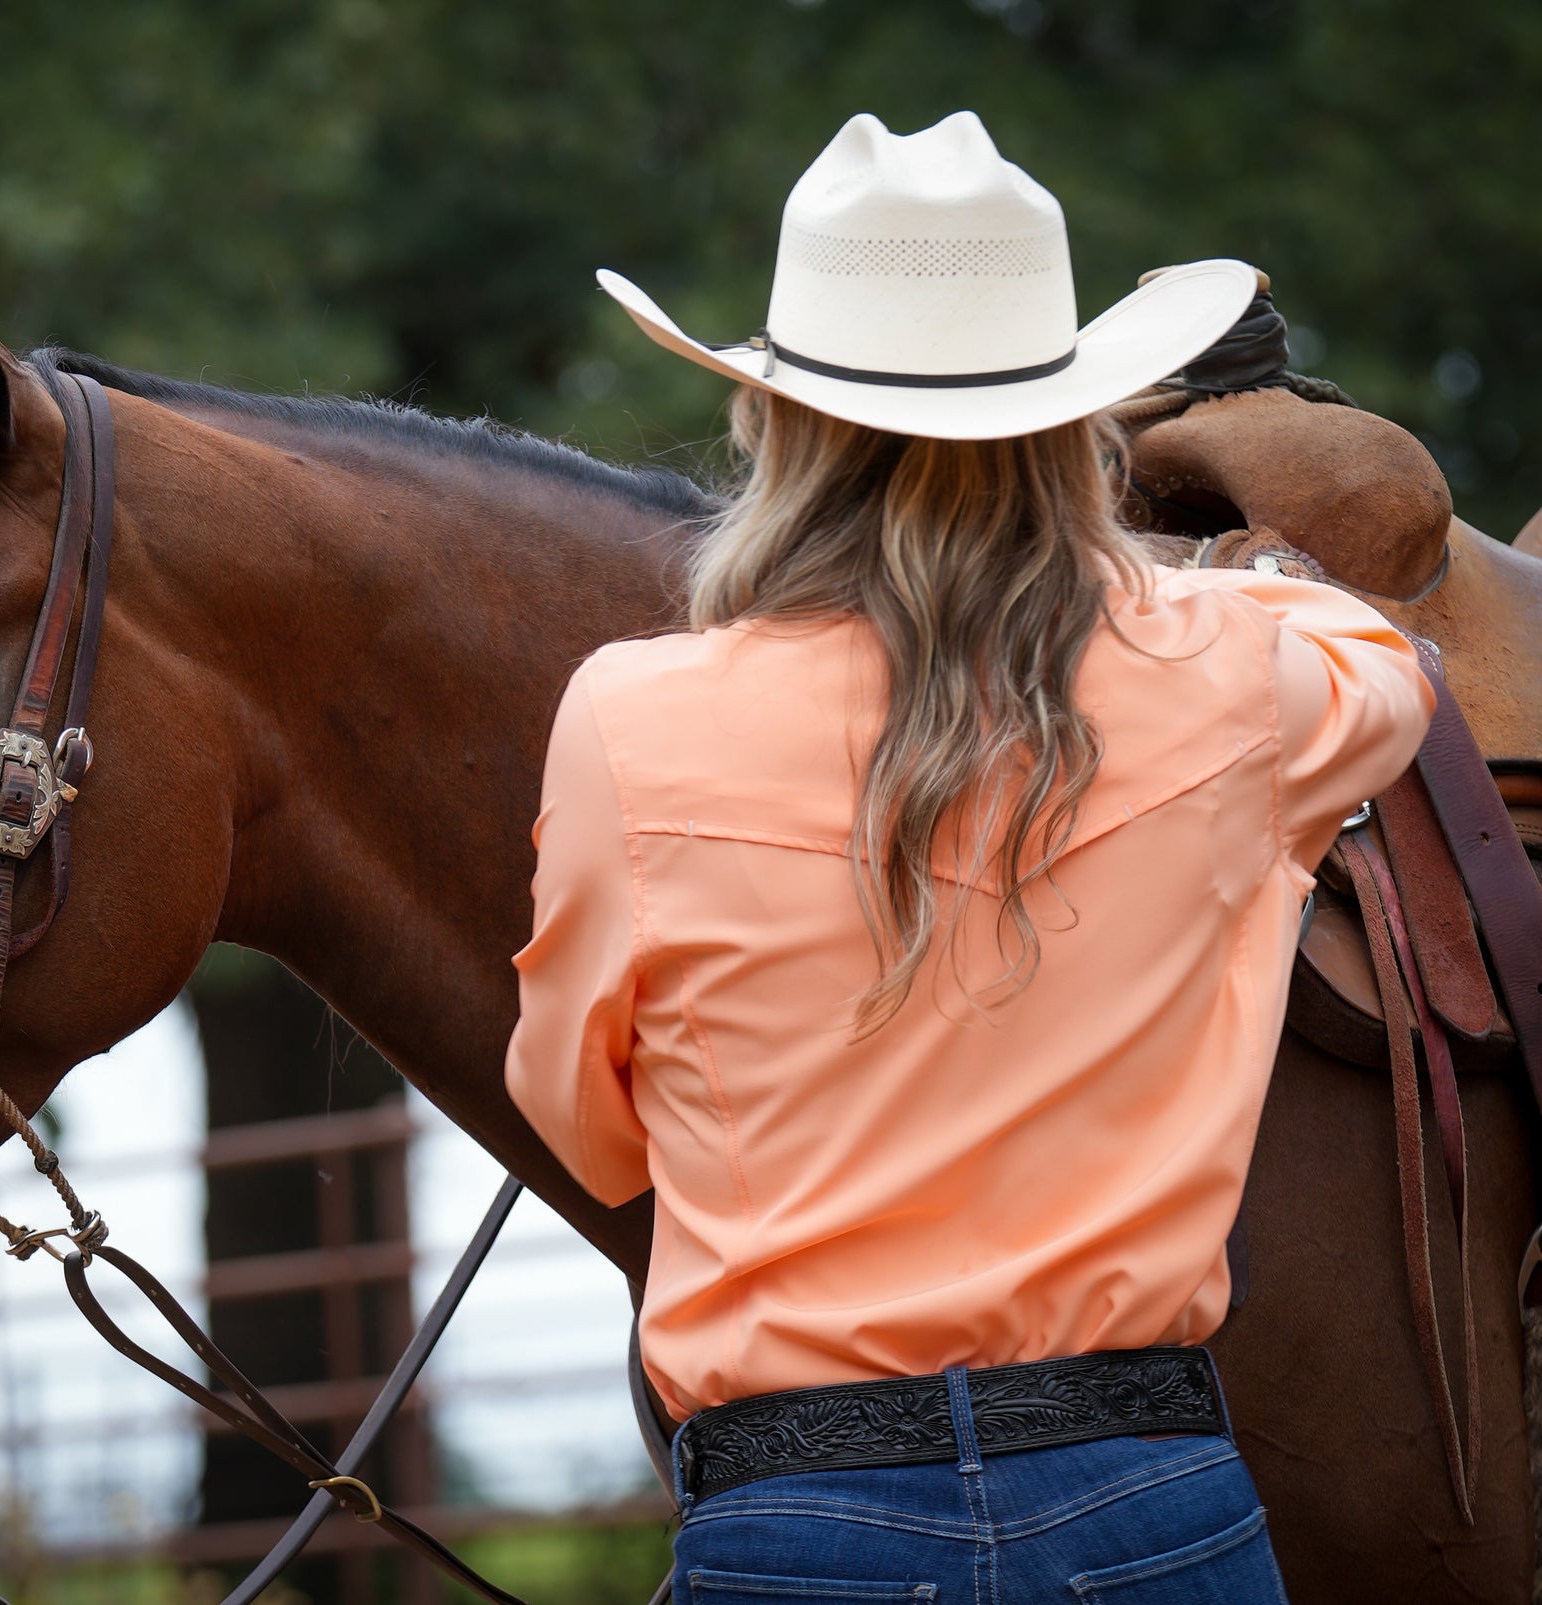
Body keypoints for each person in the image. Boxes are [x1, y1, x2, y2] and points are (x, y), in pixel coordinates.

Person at [504, 110, 1433, 1603]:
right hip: (1154, 1503)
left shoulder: (627, 718)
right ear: (1075, 429)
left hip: (803, 1517)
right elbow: (1389, 664)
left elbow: (594, 1127)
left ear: (777, 423)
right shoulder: (1235, 677)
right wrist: (1187, 567)